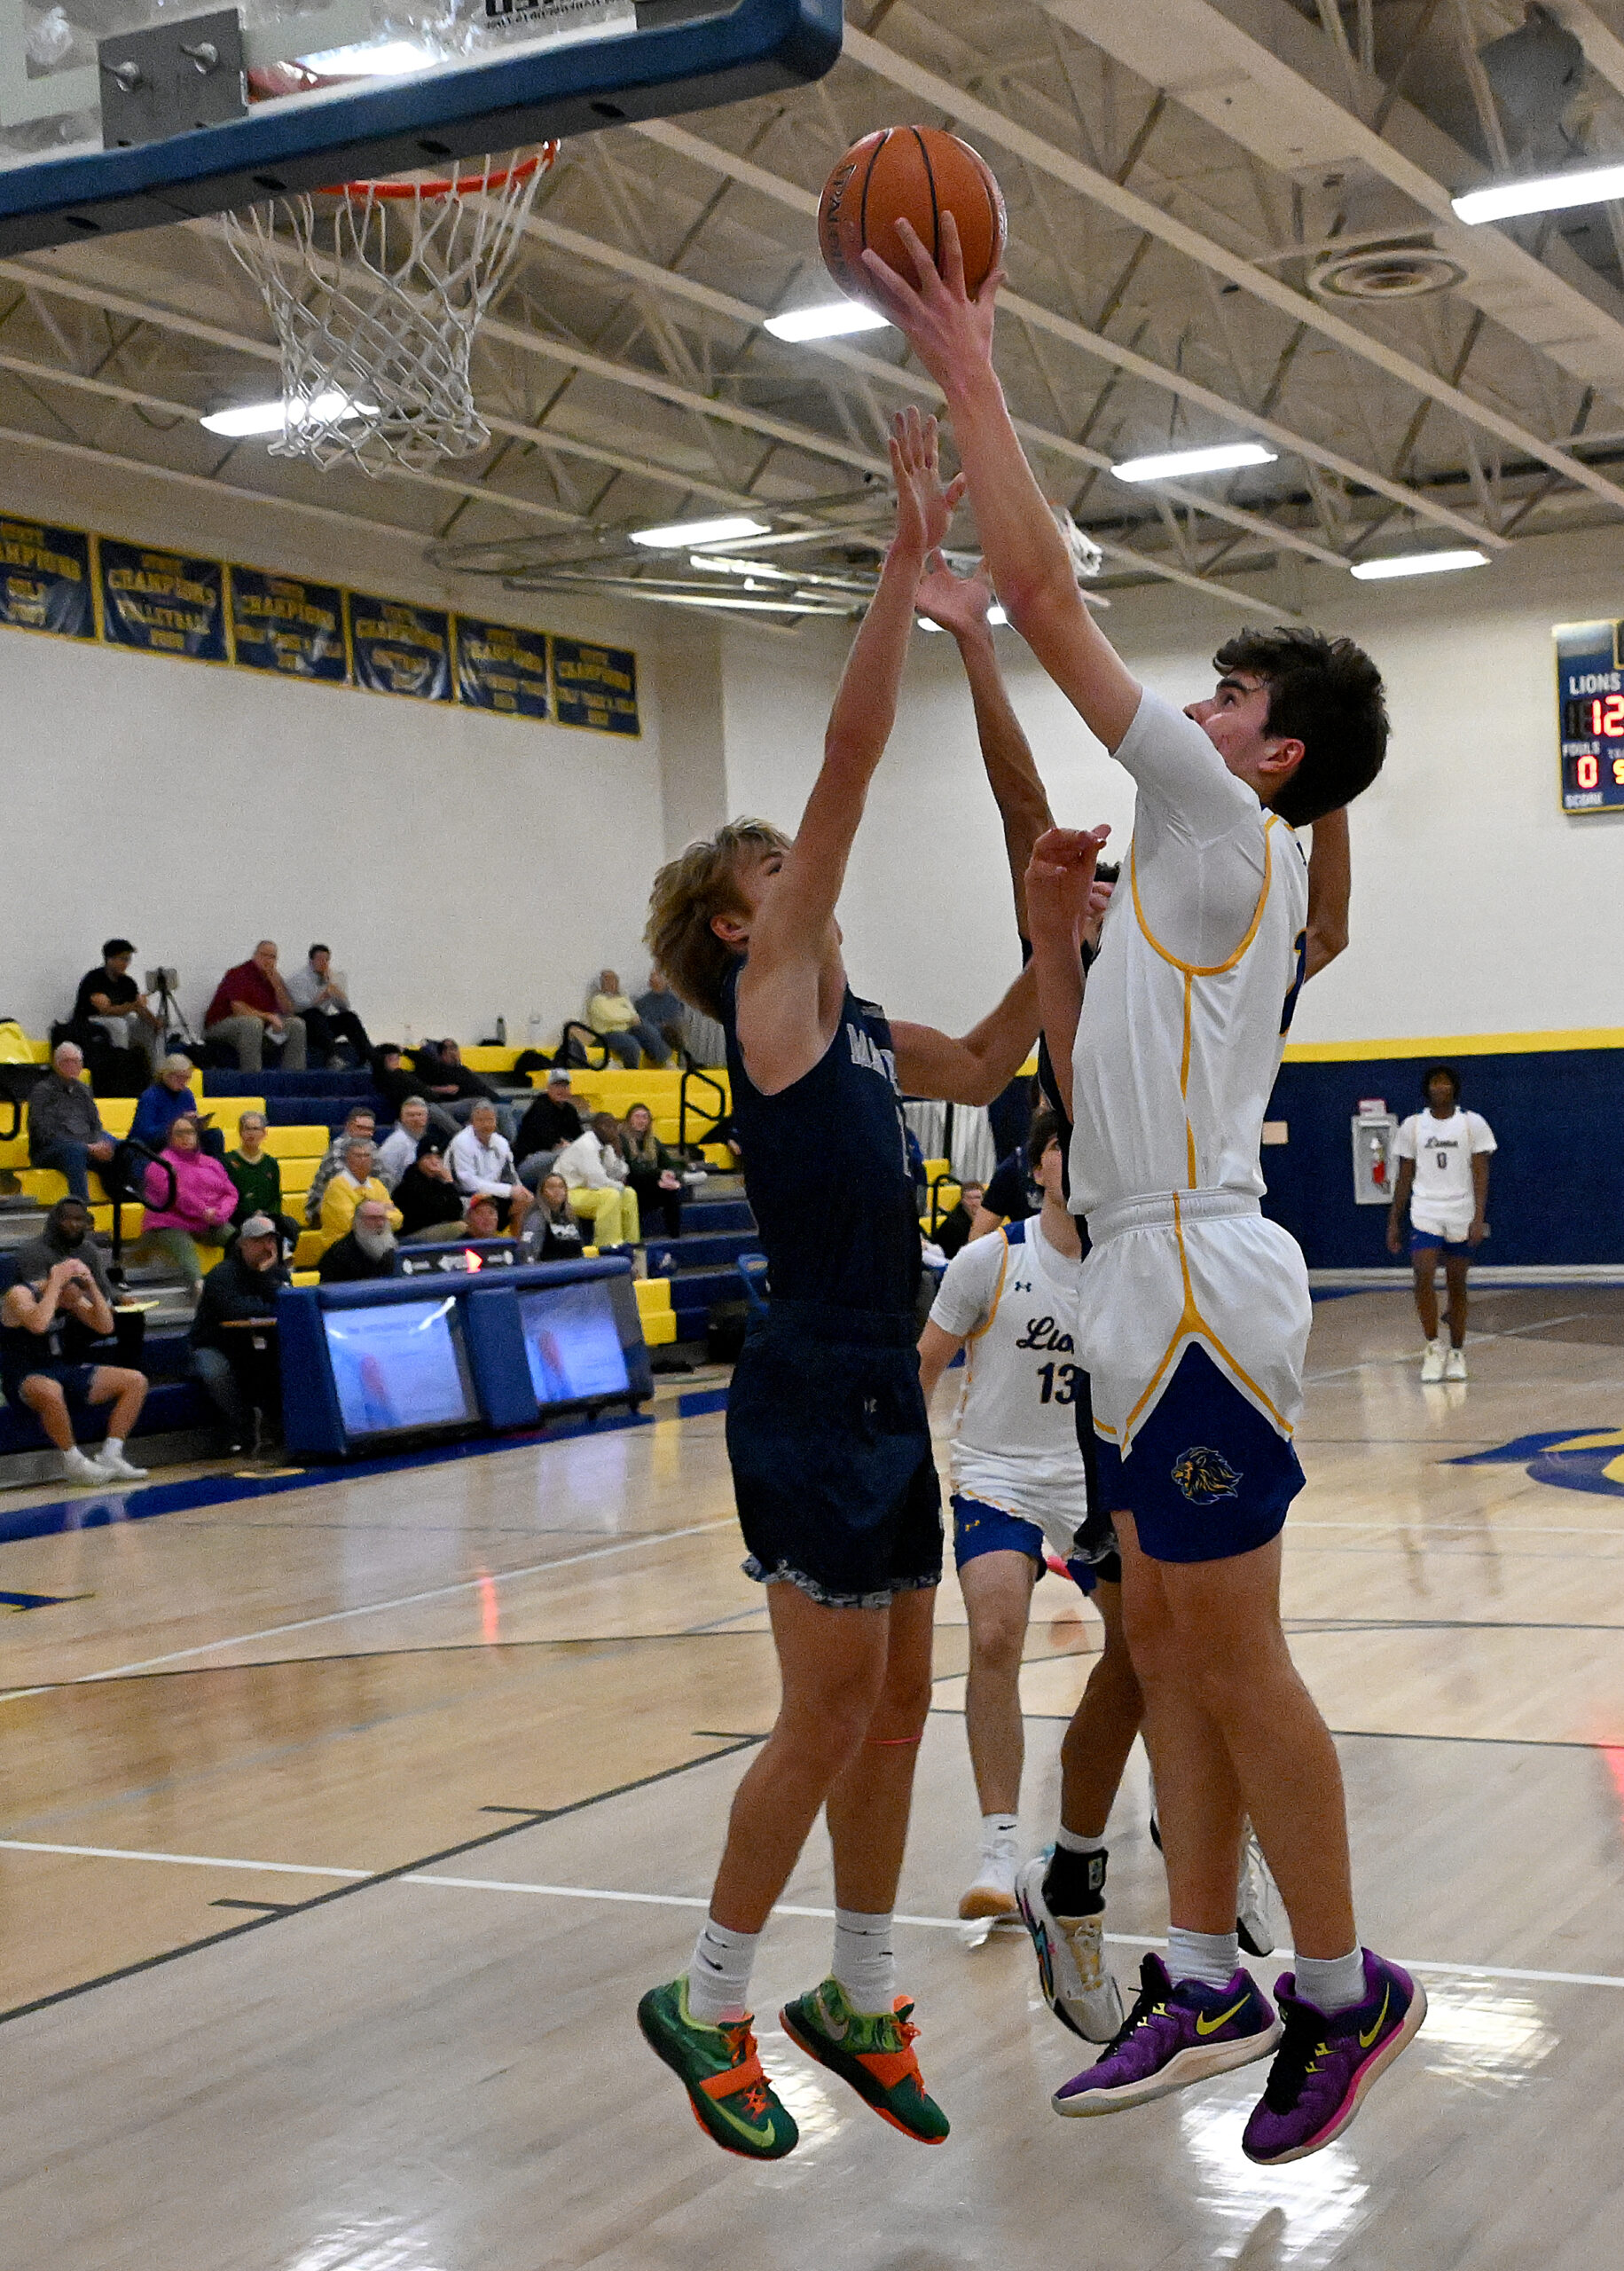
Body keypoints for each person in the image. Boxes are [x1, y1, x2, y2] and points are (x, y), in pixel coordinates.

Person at [867, 225, 1418, 2162]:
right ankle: (1203, 1960)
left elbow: (1039, 581)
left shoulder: (1216, 819)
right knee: (1163, 1642)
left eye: (1222, 693)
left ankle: (1346, 1990)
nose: (1189, 705)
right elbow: (1092, 1055)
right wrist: (1053, 939)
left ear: (1264, 752)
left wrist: (970, 356)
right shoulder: (1184, 883)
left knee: (1235, 1650)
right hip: (1135, 1271)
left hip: (1193, 1272)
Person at [636, 409, 1063, 2162]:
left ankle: (857, 1987)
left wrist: (1058, 933)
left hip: (889, 1387)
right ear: (741, 923)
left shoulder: (878, 1034)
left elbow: (991, 1046)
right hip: (810, 1382)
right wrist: (908, 564)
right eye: (770, 867)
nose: (799, 866)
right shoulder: (776, 1009)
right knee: (827, 1710)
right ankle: (710, 1993)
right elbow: (845, 753)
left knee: (896, 1702)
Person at [915, 1112, 1138, 1978]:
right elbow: (927, 1360)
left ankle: (1156, 1808)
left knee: (1142, 1650)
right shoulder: (988, 1260)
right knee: (995, 1636)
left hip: (1090, 1482)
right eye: (1058, 1146)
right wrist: (896, 1454)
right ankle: (998, 1850)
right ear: (1036, 1163)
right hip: (995, 1473)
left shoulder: (1125, 1267)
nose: (1072, 1160)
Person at [1, 1245, 149, 1483]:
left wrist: (91, 1285)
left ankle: (111, 1454)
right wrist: (56, 1283)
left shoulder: (71, 1296)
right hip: (22, 1376)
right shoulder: (19, 1294)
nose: (75, 1304)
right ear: (57, 1285)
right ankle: (74, 1462)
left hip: (61, 1369)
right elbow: (38, 1324)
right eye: (70, 1297)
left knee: (135, 1380)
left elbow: (106, 1326)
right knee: (50, 1389)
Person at [1387, 1066, 1495, 1382]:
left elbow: (1481, 1174)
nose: (1440, 1087)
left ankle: (1458, 1351)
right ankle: (1433, 1346)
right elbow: (1404, 1177)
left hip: (1460, 1210)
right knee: (1422, 1272)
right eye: (1435, 1082)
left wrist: (1478, 1217)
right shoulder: (1414, 1126)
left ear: (1454, 1088)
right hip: (1426, 1210)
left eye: (1445, 1082)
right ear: (1428, 1089)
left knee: (1456, 1283)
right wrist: (1393, 1221)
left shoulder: (1472, 1124)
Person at [189, 1214, 288, 1453]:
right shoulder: (222, 1275)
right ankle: (240, 1427)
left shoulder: (277, 1273)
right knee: (216, 1372)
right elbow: (237, 1311)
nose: (266, 1247)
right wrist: (266, 1299)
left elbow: (287, 1303)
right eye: (259, 1241)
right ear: (242, 1243)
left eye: (270, 1241)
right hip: (214, 1344)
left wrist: (266, 1277)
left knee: (286, 1360)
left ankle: (277, 1426)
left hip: (257, 1342)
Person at [12, 1197, 145, 1373]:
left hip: (85, 1311)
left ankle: (130, 1370)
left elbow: (103, 1288)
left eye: (79, 1219)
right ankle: (70, 1373)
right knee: (74, 1322)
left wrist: (118, 1298)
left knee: (133, 1316)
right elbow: (36, 1294)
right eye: (67, 1219)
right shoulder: (32, 1250)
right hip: (49, 1316)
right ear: (55, 1221)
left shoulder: (88, 1250)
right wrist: (84, 1303)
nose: (74, 1225)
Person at [137, 1116, 239, 1295]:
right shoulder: (159, 1164)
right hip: (169, 1222)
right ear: (170, 1137)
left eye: (190, 1132)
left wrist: (220, 1214)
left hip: (210, 1220)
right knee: (184, 1248)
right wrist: (203, 1210)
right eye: (179, 1133)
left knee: (239, 1241)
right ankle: (200, 1291)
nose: (186, 1137)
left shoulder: (212, 1163)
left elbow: (230, 1192)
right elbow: (176, 1194)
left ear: (197, 1135)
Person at [27, 1042, 117, 1204]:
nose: (72, 1066)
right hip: (50, 1150)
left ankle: (125, 1197)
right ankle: (81, 1206)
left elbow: (95, 1123)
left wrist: (97, 1143)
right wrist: (87, 1146)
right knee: (75, 1150)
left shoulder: (84, 1090)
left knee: (124, 1146)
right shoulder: (43, 1091)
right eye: (67, 1061)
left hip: (86, 1146)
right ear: (56, 1064)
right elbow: (44, 1132)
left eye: (76, 1061)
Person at [204, 940, 308, 1073]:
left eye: (273, 957)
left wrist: (277, 986)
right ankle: (253, 1077)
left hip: (260, 1027)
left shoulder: (273, 978)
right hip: (221, 1024)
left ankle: (294, 1077)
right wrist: (268, 1016)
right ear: (255, 956)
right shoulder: (239, 974)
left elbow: (289, 1011)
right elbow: (238, 1008)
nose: (268, 960)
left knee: (296, 1024)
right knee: (253, 1023)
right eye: (264, 955)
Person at [72, 939, 163, 1072]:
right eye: (123, 959)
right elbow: (105, 1011)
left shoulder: (128, 982)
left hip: (120, 1020)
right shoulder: (94, 979)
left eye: (128, 959)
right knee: (119, 1025)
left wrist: (155, 1024)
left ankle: (158, 1073)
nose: (126, 964)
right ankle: (121, 1069)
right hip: (91, 1022)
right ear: (110, 959)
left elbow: (139, 1009)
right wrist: (133, 1005)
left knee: (151, 1028)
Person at [553, 1113, 639, 1250]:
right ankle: (608, 1247)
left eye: (613, 1127)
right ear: (596, 1127)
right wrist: (619, 1185)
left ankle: (632, 1244)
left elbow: (620, 1173)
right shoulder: (586, 1145)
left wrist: (619, 1153)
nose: (611, 1130)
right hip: (566, 1193)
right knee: (611, 1195)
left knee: (629, 1193)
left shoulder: (606, 1146)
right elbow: (597, 1182)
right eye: (606, 1126)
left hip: (585, 1191)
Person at [223, 1110, 301, 1258]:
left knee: (290, 1225)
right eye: (247, 1128)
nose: (251, 1133)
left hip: (266, 1216)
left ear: (264, 1133)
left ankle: (282, 1264)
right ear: (240, 1132)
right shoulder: (228, 1161)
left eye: (256, 1129)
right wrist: (251, 1215)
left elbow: (276, 1197)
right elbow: (226, 1196)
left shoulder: (271, 1163)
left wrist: (265, 1214)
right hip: (239, 1217)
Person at [446, 1102, 531, 1235]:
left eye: (489, 1120)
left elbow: (511, 1176)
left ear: (496, 1122)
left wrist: (521, 1191)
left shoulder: (501, 1143)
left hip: (492, 1193)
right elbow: (467, 1184)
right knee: (486, 1208)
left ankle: (515, 1247)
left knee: (524, 1200)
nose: (486, 1125)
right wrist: (509, 1190)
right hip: (462, 1196)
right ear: (472, 1122)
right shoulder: (461, 1142)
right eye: (480, 1120)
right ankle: (483, 1249)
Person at [285, 946, 372, 1067]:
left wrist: (338, 993)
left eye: (326, 960)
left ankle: (368, 1057)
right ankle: (332, 1057)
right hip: (305, 1025)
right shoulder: (298, 980)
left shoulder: (333, 978)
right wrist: (322, 996)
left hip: (323, 1026)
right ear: (311, 961)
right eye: (320, 959)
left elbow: (344, 1008)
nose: (323, 963)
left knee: (349, 1017)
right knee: (314, 1014)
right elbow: (301, 1007)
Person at [318, 1137, 402, 1247]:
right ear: (347, 1159)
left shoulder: (376, 1185)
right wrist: (382, 1211)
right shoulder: (336, 1186)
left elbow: (398, 1219)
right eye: (358, 1156)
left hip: (376, 1246)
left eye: (367, 1155)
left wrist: (371, 1216)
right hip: (342, 1249)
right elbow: (350, 1224)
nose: (363, 1160)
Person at [621, 1102, 686, 1240]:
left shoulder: (654, 1141)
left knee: (672, 1189)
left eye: (645, 1117)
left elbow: (670, 1164)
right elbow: (632, 1170)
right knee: (648, 1183)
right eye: (637, 1116)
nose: (641, 1120)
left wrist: (671, 1175)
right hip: (631, 1185)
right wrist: (659, 1174)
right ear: (629, 1120)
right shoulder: (622, 1141)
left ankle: (675, 1235)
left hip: (651, 1185)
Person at [305, 1108, 379, 1227]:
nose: (367, 1133)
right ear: (349, 1127)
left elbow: (384, 1180)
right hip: (324, 1207)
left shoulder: (372, 1147)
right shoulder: (338, 1149)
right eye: (361, 1128)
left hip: (359, 1203)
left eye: (370, 1129)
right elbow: (344, 1185)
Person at [370, 1045, 461, 1140]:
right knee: (434, 1111)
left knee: (469, 1104)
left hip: (434, 1101)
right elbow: (404, 1100)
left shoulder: (403, 1073)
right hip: (418, 1108)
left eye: (397, 1058)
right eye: (392, 1059)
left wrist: (406, 1051)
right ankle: (462, 1138)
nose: (396, 1061)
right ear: (383, 1060)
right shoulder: (385, 1079)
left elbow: (424, 1062)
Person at [588, 968, 672, 1069]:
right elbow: (610, 1016)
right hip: (608, 1034)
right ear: (601, 984)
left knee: (647, 1030)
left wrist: (632, 1018)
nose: (612, 983)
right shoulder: (598, 1000)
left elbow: (633, 1013)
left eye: (615, 979)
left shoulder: (622, 998)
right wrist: (629, 1018)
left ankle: (664, 1061)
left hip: (627, 1029)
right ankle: (631, 1071)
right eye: (608, 980)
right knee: (630, 1043)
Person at [514, 1069, 585, 1189]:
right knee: (565, 1153)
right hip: (530, 1160)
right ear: (548, 1088)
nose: (561, 1090)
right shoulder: (540, 1107)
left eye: (564, 1086)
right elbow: (550, 1143)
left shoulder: (570, 1110)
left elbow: (580, 1137)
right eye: (557, 1085)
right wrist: (569, 1145)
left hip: (558, 1157)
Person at [392, 1134, 467, 1242]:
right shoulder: (410, 1183)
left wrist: (449, 1183)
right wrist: (448, 1184)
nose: (434, 1162)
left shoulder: (437, 1182)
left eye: (437, 1158)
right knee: (460, 1227)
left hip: (434, 1228)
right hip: (411, 1236)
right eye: (428, 1157)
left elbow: (456, 1212)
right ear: (419, 1161)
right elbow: (435, 1212)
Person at [130, 1054, 208, 1156]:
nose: (183, 1082)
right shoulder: (150, 1096)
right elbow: (144, 1133)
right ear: (167, 1075)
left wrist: (197, 1122)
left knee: (213, 1135)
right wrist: (177, 1124)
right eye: (179, 1077)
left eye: (187, 1078)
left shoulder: (187, 1095)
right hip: (154, 1145)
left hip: (182, 1140)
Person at [318, 1198, 397, 1282]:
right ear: (358, 1221)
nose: (380, 1224)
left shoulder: (392, 1252)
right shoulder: (337, 1256)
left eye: (382, 1218)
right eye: (373, 1218)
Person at [524, 1172, 587, 1261]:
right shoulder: (537, 1219)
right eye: (551, 1187)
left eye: (561, 1187)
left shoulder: (571, 1217)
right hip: (550, 1270)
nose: (557, 1191)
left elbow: (580, 1249)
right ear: (542, 1192)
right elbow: (529, 1254)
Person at [634, 969, 691, 1064]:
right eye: (652, 977)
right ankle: (666, 1061)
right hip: (647, 1032)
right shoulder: (642, 1002)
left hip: (667, 1032)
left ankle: (666, 1060)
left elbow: (675, 1021)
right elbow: (640, 1022)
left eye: (658, 977)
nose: (654, 979)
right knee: (645, 1030)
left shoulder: (675, 1001)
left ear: (666, 981)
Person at [376, 1096, 431, 1191]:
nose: (416, 1119)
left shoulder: (426, 1139)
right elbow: (384, 1177)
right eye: (411, 1115)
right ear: (402, 1118)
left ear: (427, 1118)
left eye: (419, 1115)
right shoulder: (397, 1142)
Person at [930, 1180, 984, 1260]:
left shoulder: (983, 1219)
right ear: (962, 1200)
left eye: (978, 1198)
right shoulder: (954, 1225)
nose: (974, 1203)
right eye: (970, 1199)